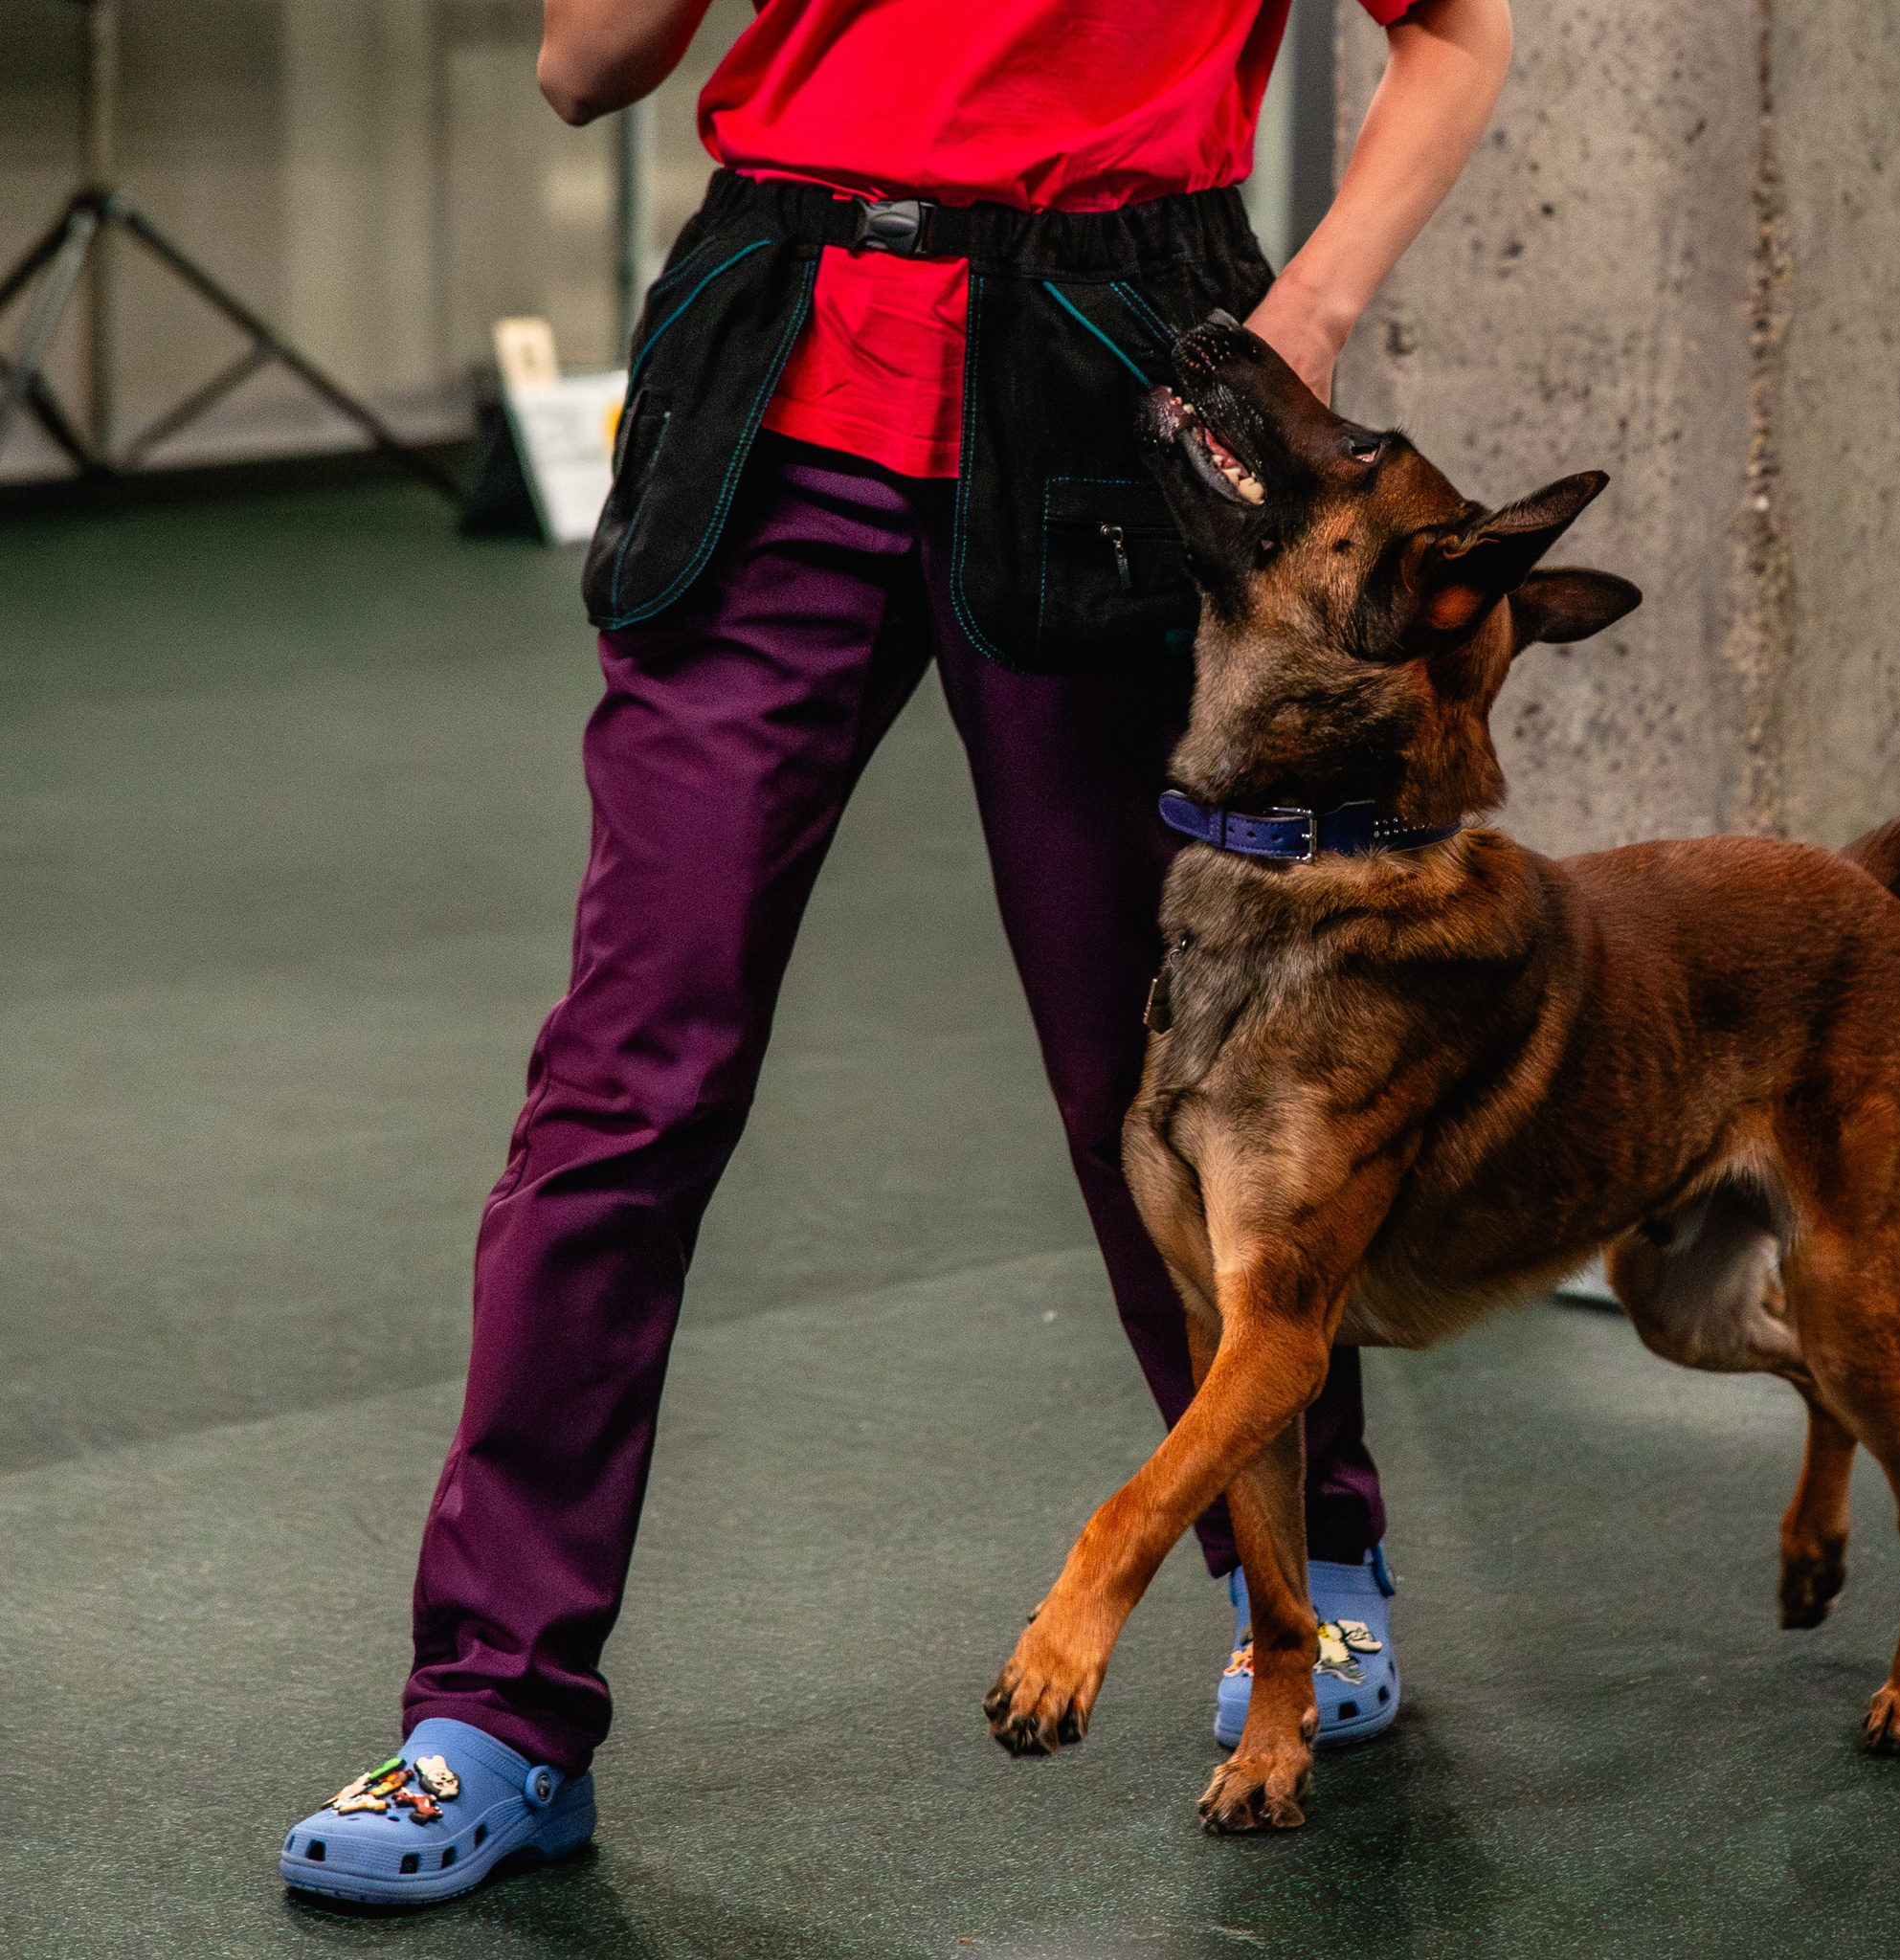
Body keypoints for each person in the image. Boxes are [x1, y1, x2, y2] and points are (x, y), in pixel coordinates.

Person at [279, 0, 1513, 1906]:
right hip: (773, 376)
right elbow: (582, 67)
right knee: (626, 1077)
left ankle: (1307, 1568)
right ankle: (496, 1713)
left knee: (1168, 1081)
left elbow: (1457, 28)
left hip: (1106, 377)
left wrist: (1317, 308)